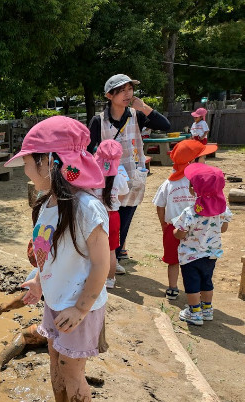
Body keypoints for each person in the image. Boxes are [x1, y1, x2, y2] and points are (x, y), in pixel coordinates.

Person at [5, 115, 110, 402]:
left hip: (78, 306)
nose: (23, 169)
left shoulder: (86, 208)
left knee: (72, 370)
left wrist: (81, 308)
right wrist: (37, 282)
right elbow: (46, 256)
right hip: (55, 302)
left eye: (27, 162)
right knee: (55, 359)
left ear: (49, 161)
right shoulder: (46, 205)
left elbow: (101, 264)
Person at [88, 74, 171, 263]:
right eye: (121, 90)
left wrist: (143, 107)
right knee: (106, 222)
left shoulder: (137, 115)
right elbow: (87, 150)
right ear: (109, 95)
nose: (127, 94)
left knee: (123, 224)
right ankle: (105, 262)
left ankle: (114, 260)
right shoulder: (98, 121)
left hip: (134, 179)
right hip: (109, 183)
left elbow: (165, 125)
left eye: (130, 89)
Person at [152, 140, 217, 300]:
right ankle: (200, 292)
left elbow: (160, 205)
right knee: (197, 260)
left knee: (173, 261)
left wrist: (163, 224)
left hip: (172, 228)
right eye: (202, 157)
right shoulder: (201, 181)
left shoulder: (168, 183)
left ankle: (172, 288)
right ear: (192, 161)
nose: (205, 160)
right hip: (198, 230)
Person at [173, 164, 231, 326]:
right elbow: (224, 228)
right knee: (207, 281)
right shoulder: (223, 210)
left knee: (192, 284)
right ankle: (207, 309)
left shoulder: (190, 212)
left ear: (194, 189)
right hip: (212, 254)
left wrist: (175, 232)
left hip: (190, 256)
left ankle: (194, 313)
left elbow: (181, 233)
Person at [94, 140, 129, 288]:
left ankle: (94, 278)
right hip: (113, 216)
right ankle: (110, 280)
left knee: (93, 249)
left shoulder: (93, 176)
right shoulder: (120, 178)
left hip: (95, 217)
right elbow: (123, 195)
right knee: (111, 250)